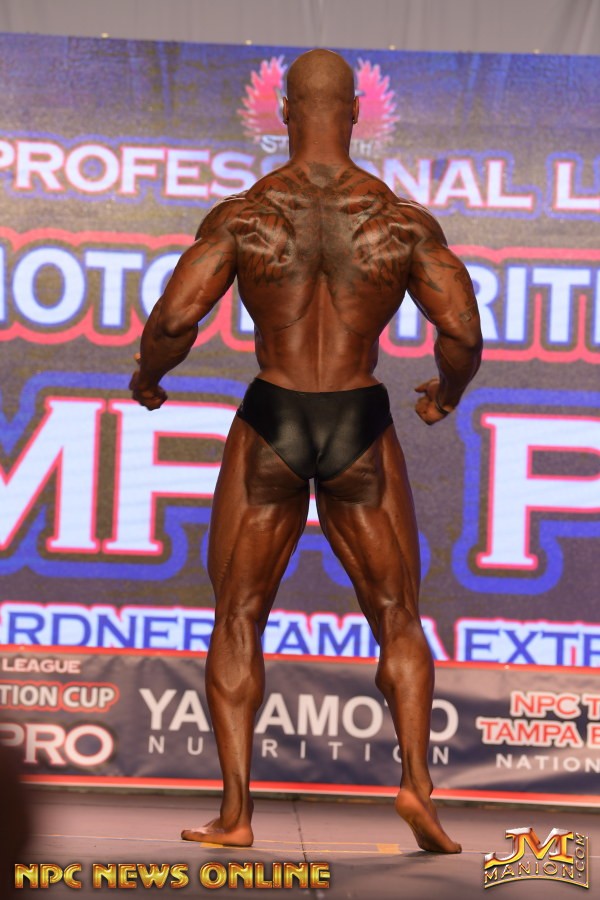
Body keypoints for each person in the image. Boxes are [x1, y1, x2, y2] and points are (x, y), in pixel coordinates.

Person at [130, 48, 482, 854]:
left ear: (286, 110)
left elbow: (175, 319)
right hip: (359, 416)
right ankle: (417, 787)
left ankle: (235, 815)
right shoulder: (399, 220)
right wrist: (446, 393)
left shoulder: (248, 214)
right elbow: (461, 330)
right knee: (397, 615)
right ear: (355, 111)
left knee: (238, 615)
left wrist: (149, 377)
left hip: (275, 414)